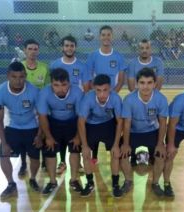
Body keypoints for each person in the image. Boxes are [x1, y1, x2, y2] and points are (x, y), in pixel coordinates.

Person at [0, 61, 43, 199]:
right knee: (3, 155)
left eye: (21, 77)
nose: (18, 80)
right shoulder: (1, 92)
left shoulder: (34, 91)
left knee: (35, 157)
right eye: (14, 77)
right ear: (8, 76)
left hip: (32, 127)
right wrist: (4, 143)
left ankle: (32, 179)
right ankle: (10, 184)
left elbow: (42, 116)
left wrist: (39, 135)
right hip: (13, 126)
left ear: (25, 76)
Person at [78, 74, 131, 197]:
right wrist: (85, 145)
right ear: (93, 89)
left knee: (115, 153)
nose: (102, 94)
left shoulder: (116, 99)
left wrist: (116, 144)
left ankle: (115, 184)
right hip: (91, 126)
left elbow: (120, 122)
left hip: (108, 125)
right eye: (98, 90)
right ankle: (90, 183)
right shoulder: (88, 98)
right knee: (85, 154)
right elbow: (81, 122)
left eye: (105, 90)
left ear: (110, 88)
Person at [121, 68, 168, 196]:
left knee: (160, 155)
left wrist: (160, 143)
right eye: (142, 83)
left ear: (154, 84)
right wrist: (125, 144)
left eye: (149, 83)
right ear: (136, 84)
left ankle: (156, 183)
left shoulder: (161, 99)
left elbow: (163, 123)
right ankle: (128, 181)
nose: (145, 86)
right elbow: (127, 123)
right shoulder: (129, 99)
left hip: (152, 131)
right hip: (133, 132)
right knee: (122, 154)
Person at [37, 68, 83, 194]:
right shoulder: (44, 93)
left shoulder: (77, 92)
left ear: (69, 83)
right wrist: (48, 137)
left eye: (64, 85)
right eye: (56, 85)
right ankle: (52, 181)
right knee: (50, 151)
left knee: (75, 149)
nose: (60, 89)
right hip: (53, 123)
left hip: (72, 122)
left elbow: (81, 117)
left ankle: (74, 180)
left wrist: (78, 136)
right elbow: (42, 116)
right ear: (51, 84)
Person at [50, 35, 90, 174]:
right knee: (60, 136)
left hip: (75, 106)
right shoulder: (55, 65)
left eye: (72, 45)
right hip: (59, 107)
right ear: (62, 47)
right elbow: (51, 87)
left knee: (75, 133)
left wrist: (83, 106)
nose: (69, 48)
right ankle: (62, 161)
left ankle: (77, 162)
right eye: (66, 45)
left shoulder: (81, 66)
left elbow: (86, 88)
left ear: (75, 47)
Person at [86, 25, 126, 164]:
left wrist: (111, 95)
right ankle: (94, 155)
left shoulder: (119, 56)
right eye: (103, 34)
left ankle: (115, 149)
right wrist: (97, 94)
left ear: (112, 36)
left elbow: (121, 80)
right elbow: (89, 78)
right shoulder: (93, 56)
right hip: (97, 96)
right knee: (93, 121)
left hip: (112, 96)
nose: (106, 37)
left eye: (109, 34)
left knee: (115, 122)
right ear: (99, 36)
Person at [19, 39, 50, 176]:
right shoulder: (19, 67)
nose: (33, 52)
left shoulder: (44, 67)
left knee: (42, 133)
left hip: (39, 107)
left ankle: (43, 161)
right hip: (22, 107)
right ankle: (23, 164)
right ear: (25, 50)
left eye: (35, 49)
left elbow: (47, 88)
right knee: (24, 136)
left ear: (38, 51)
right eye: (30, 49)